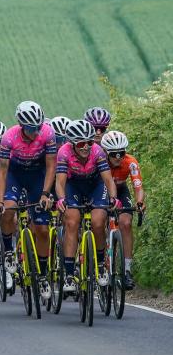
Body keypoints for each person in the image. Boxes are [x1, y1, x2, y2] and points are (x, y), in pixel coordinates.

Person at [0, 101, 57, 298]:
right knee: (9, 209)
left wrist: (46, 194)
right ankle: (8, 252)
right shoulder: (9, 137)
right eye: (32, 128)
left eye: (38, 126)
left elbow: (51, 167)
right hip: (15, 174)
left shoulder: (48, 133)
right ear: (22, 125)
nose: (36, 131)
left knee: (42, 229)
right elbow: (2, 172)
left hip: (37, 176)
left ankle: (43, 275)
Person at [54, 119, 118, 295]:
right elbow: (60, 182)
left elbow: (108, 180)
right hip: (73, 185)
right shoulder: (63, 152)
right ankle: (68, 274)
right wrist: (60, 199)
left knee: (98, 222)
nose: (86, 147)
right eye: (81, 143)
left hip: (95, 186)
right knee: (72, 222)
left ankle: (100, 266)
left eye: (89, 142)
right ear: (72, 143)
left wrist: (113, 198)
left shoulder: (97, 152)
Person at [101, 130, 145, 290]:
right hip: (102, 189)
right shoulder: (100, 161)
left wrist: (140, 202)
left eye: (121, 153)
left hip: (121, 190)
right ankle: (101, 262)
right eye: (114, 154)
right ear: (106, 152)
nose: (118, 157)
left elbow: (138, 186)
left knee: (126, 223)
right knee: (99, 221)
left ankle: (126, 270)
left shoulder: (131, 162)